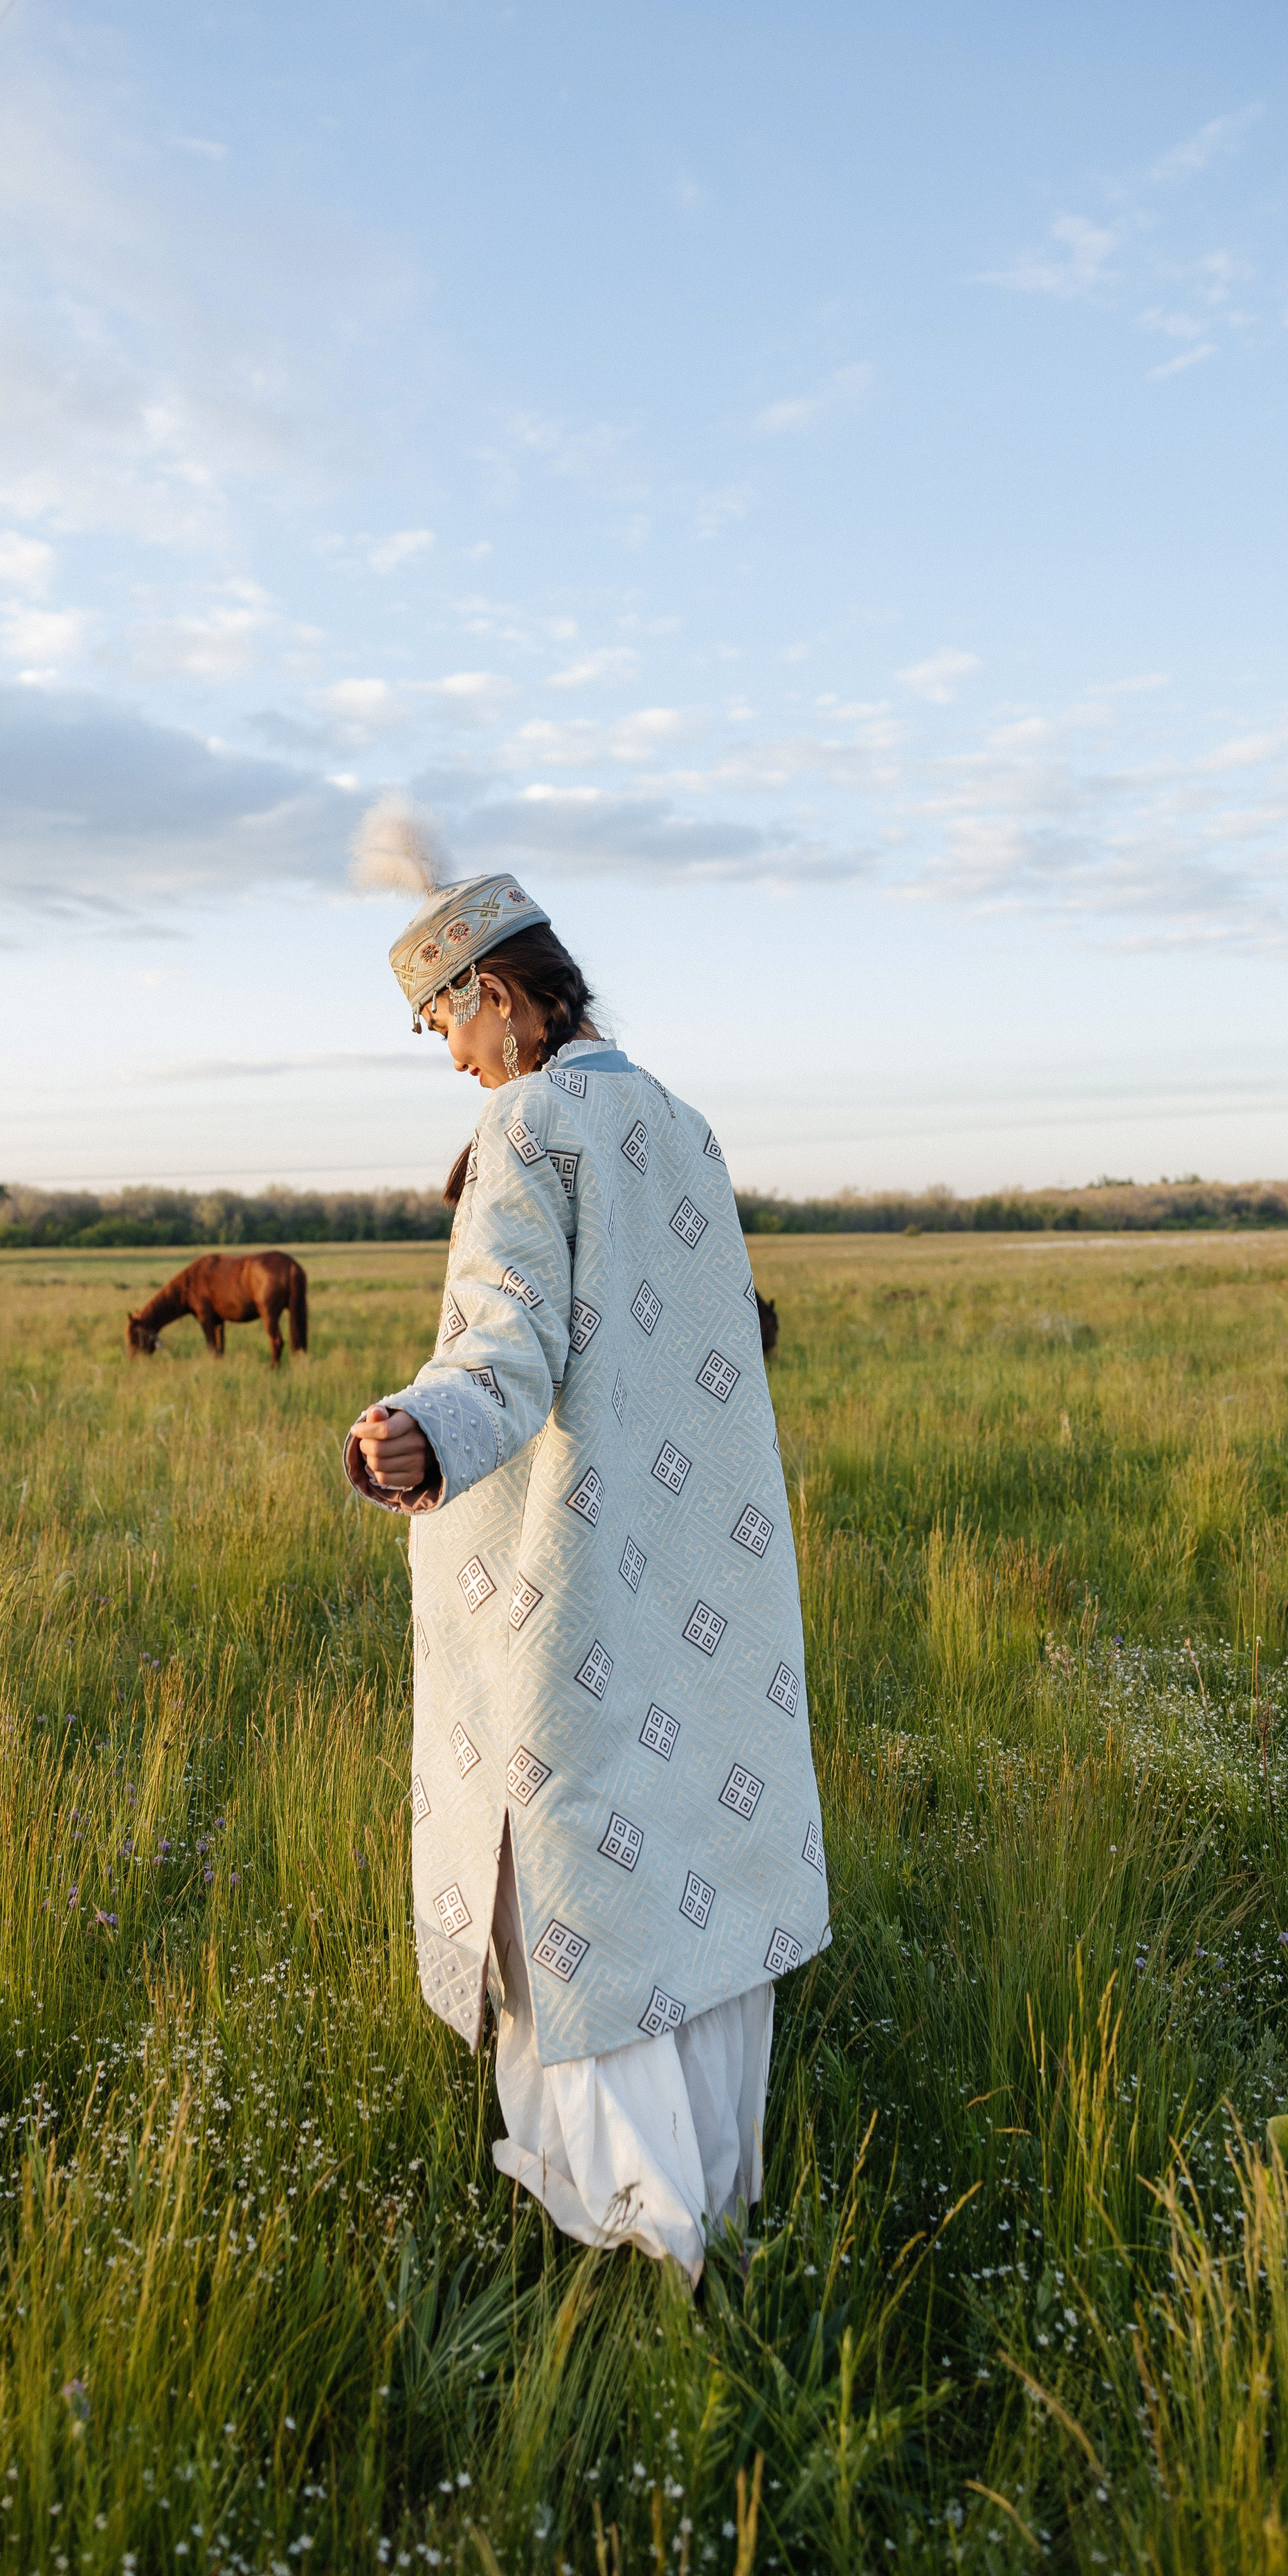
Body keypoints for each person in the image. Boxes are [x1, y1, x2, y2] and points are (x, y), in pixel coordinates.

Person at [344, 863, 828, 2282]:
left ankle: (633, 2225)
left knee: (571, 1875)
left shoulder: (528, 1122)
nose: (450, 1058)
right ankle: (714, 2199)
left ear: (491, 995)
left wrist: (415, 1439)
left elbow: (502, 1349)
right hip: (698, 1576)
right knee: (682, 1860)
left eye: (442, 1027)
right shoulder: (678, 1122)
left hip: (571, 1583)